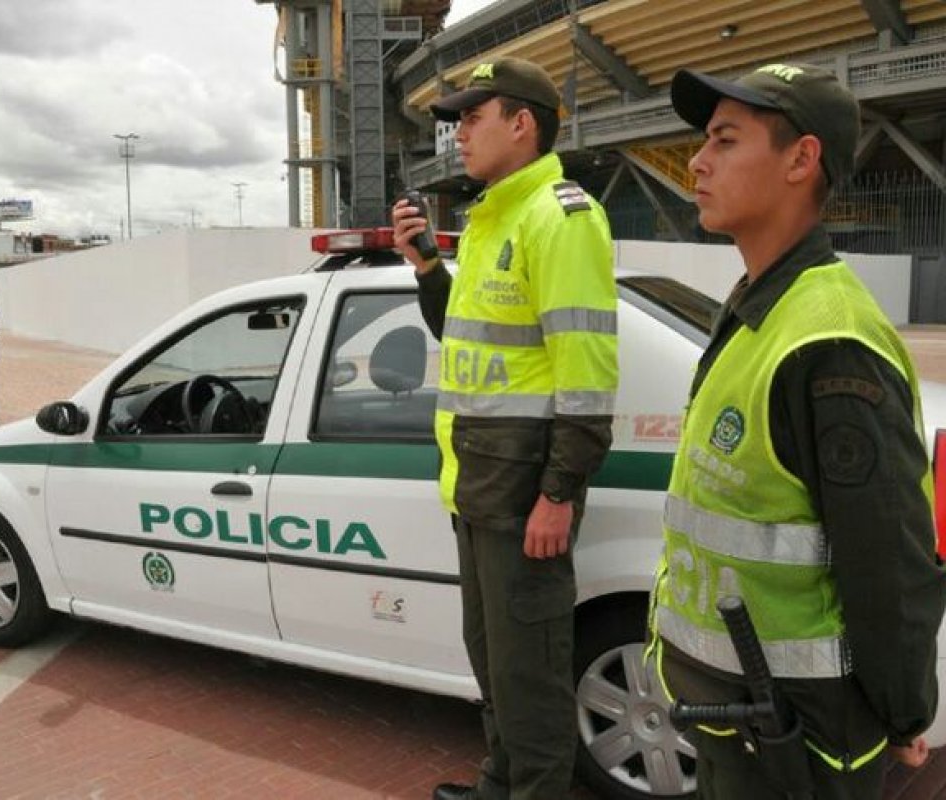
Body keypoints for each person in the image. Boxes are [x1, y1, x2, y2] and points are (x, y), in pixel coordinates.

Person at [648, 63, 946, 798]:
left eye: (725, 139)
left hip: (799, 740)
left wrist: (905, 710)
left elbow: (889, 560)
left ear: (801, 159)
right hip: (738, 718)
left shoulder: (829, 342)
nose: (698, 160)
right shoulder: (758, 305)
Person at [392, 57, 618, 800]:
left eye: (471, 117)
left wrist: (559, 493)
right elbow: (463, 336)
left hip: (525, 496)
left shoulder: (560, 217)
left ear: (522, 123)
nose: (457, 134)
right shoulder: (494, 217)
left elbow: (585, 376)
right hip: (478, 486)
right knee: (491, 658)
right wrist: (427, 264)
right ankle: (501, 782)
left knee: (531, 673)